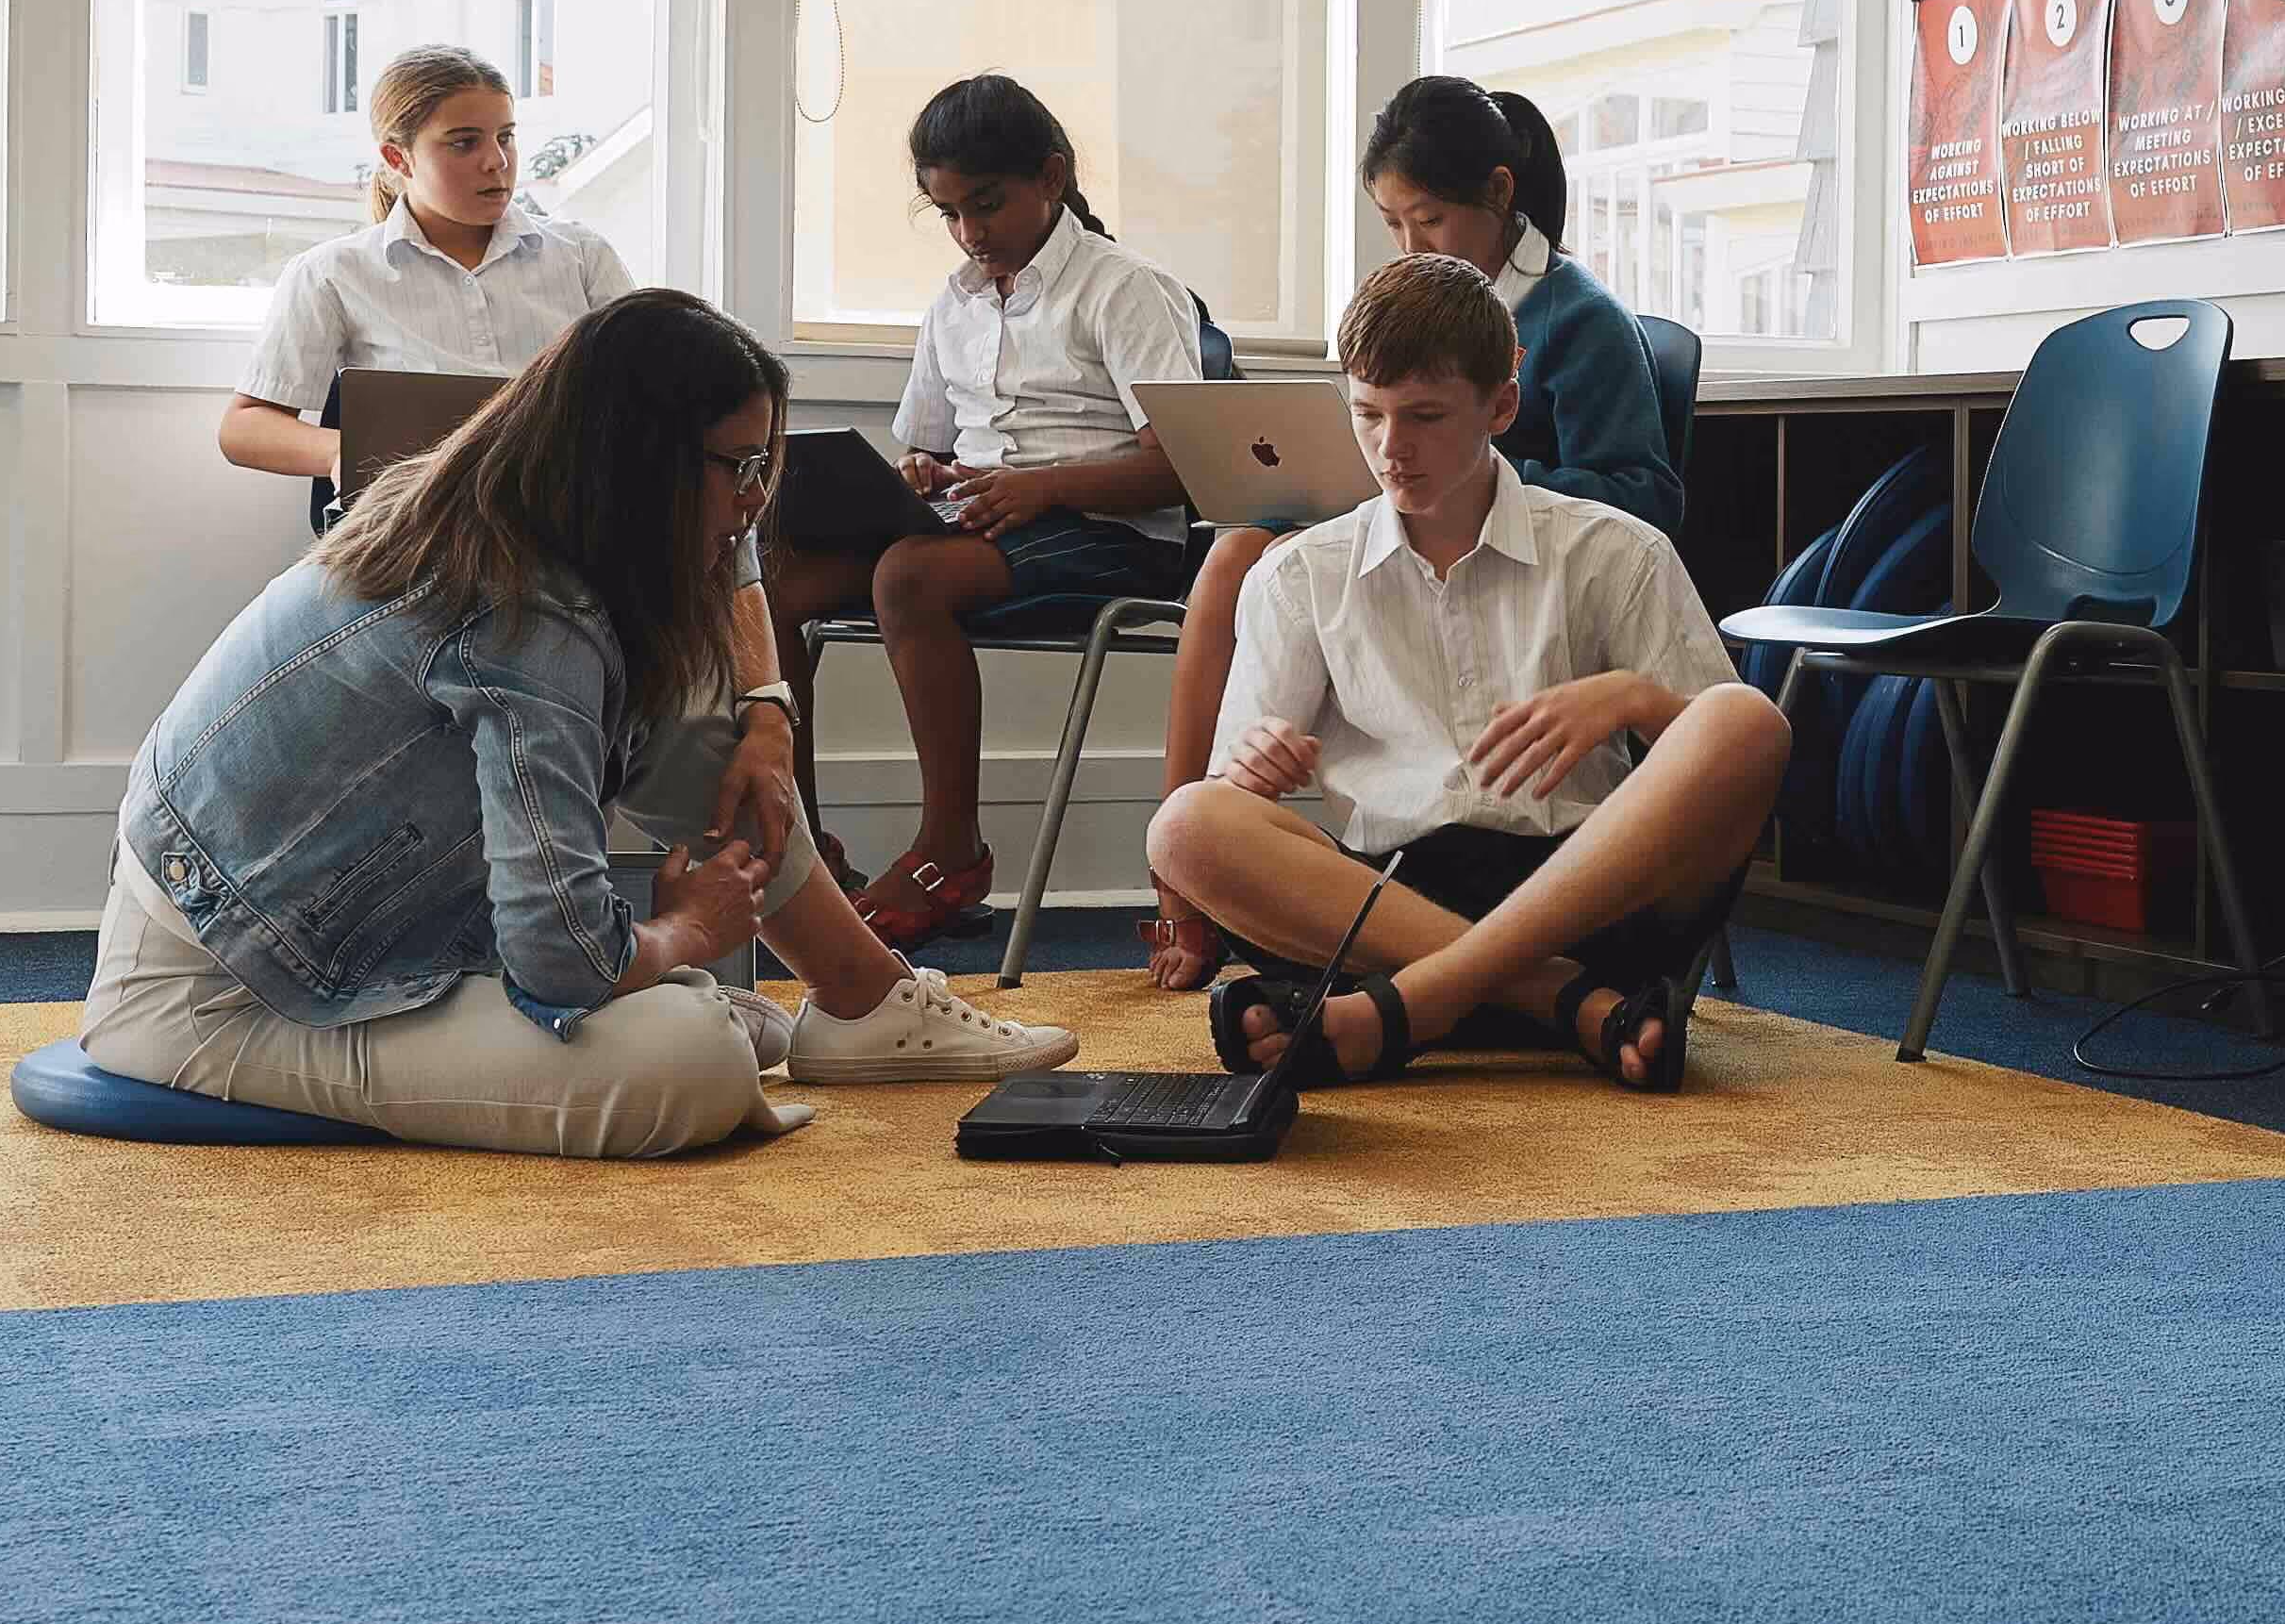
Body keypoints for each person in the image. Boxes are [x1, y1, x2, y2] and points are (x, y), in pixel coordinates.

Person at [91, 292, 1075, 1153]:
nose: (755, 502)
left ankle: (862, 1002)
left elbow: (733, 552)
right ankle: (724, 1003)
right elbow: (560, 962)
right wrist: (687, 933)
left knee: (700, 730)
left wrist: (767, 714)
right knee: (692, 1063)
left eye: (765, 465)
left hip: (319, 921)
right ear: (639, 470)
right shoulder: (527, 626)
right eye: (740, 467)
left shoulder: (496, 496)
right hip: (225, 992)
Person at [1147, 257, 1785, 1094]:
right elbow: (1232, 790)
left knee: (1745, 718)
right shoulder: (1298, 573)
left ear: (1501, 406)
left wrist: (1635, 700)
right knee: (1186, 823)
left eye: (1425, 416)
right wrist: (1252, 764)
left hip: (1590, 895)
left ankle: (1407, 1009)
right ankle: (1560, 1005)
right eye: (1367, 414)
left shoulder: (1616, 550)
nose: (1390, 448)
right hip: (1385, 908)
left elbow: (1725, 768)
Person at [216, 43, 816, 887]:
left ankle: (749, 819)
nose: (495, 162)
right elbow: (245, 429)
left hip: (573, 541)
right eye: (463, 143)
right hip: (430, 546)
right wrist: (374, 451)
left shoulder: (579, 260)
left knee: (698, 506)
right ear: (397, 157)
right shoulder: (334, 274)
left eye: (504, 136)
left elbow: (663, 421)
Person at [1131, 77, 1683, 988]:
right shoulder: (1403, 325)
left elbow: (1641, 489)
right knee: (1238, 563)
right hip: (1395, 551)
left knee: (1251, 563)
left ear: (1497, 195)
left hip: (1520, 554)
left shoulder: (1580, 322)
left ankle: (1427, 985)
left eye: (1426, 220)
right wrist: (1245, 774)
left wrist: (1471, 472)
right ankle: (1543, 995)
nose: (1408, 243)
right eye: (1391, 224)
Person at [763, 75, 1210, 950]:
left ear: (1052, 176)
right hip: (987, 523)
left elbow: (1183, 468)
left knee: (909, 575)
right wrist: (920, 474)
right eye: (949, 214)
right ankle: (804, 852)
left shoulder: (1125, 288)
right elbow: (927, 446)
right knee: (774, 581)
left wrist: (1043, 487)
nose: (971, 232)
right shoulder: (955, 303)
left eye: (987, 204)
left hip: (1113, 535)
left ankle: (951, 848)